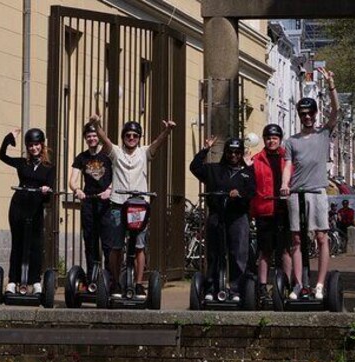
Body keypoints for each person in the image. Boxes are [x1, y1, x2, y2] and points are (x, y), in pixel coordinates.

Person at [88, 114, 176, 297]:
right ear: (123, 137)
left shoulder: (144, 152)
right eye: (128, 135)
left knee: (139, 246)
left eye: (135, 135)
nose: (131, 138)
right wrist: (96, 124)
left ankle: (138, 284)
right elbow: (105, 139)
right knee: (116, 246)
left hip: (138, 205)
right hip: (118, 204)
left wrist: (166, 131)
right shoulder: (116, 153)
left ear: (139, 137)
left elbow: (157, 144)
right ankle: (115, 282)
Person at [280, 67, 339, 300]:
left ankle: (320, 284)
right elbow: (287, 165)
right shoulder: (291, 141)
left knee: (321, 237)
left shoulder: (323, 133)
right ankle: (298, 284)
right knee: (296, 239)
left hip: (317, 192)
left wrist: (331, 84)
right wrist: (285, 185)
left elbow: (336, 110)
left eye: (310, 114)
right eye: (303, 114)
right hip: (296, 192)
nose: (306, 117)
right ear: (299, 115)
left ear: (315, 115)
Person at [190, 136, 255, 302]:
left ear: (241, 154)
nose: (233, 155)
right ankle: (212, 287)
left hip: (238, 216)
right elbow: (195, 167)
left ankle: (236, 290)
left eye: (237, 152)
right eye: (230, 152)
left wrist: (239, 194)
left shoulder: (246, 173)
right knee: (214, 254)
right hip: (217, 215)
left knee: (238, 255)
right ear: (225, 152)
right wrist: (205, 149)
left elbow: (251, 192)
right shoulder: (214, 169)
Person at [0, 127, 54, 293]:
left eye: (36, 144)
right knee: (18, 243)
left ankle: (35, 281)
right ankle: (13, 281)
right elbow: (2, 156)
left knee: (36, 245)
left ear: (42, 145)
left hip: (35, 209)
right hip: (18, 207)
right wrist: (9, 137)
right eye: (30, 145)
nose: (33, 148)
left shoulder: (49, 167)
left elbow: (50, 188)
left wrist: (46, 190)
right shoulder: (22, 163)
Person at [250, 123, 292, 304]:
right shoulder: (256, 160)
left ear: (280, 140)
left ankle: (287, 285)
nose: (271, 141)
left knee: (285, 251)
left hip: (285, 211)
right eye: (268, 138)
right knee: (265, 251)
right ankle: (262, 286)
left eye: (274, 138)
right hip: (265, 211)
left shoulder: (288, 159)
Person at [69, 122, 113, 275]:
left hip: (106, 203)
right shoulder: (81, 158)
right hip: (89, 202)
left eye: (94, 136)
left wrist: (109, 189)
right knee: (90, 242)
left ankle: (110, 278)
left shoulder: (108, 154)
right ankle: (92, 278)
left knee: (108, 243)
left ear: (99, 137)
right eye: (89, 136)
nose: (92, 139)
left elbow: (119, 176)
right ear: (85, 138)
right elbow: (72, 181)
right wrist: (77, 190)